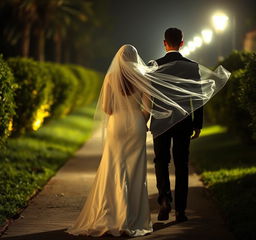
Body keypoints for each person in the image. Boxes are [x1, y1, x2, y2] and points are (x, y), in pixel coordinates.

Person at [66, 44, 230, 237]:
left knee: (115, 167)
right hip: (136, 125)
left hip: (116, 125)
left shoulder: (110, 78)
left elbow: (107, 109)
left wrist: (120, 112)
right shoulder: (142, 77)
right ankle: (132, 217)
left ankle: (113, 214)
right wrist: (139, 121)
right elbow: (147, 108)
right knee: (135, 170)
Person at [149, 27, 204, 222]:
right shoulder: (192, 66)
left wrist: (147, 117)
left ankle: (165, 201)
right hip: (183, 121)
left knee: (161, 162)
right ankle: (180, 210)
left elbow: (149, 96)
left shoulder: (154, 65)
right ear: (182, 42)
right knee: (181, 165)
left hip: (161, 121)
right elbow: (197, 98)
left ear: (164, 43)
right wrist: (198, 124)